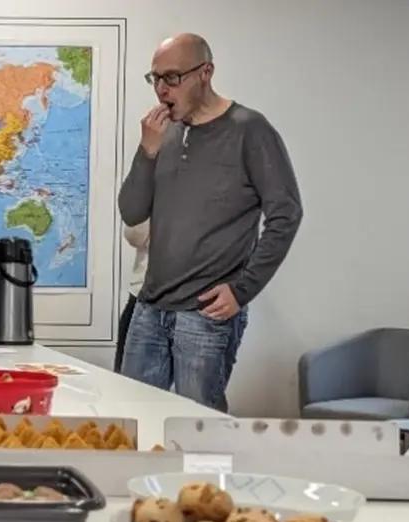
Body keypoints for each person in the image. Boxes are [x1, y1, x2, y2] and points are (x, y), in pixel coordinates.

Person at [117, 33, 302, 412]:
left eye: (172, 77)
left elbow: (286, 213)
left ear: (206, 72)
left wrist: (243, 289)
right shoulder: (163, 133)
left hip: (205, 313)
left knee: (198, 429)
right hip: (149, 307)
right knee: (130, 420)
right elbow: (132, 212)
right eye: (155, 78)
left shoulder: (250, 129)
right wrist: (146, 151)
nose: (162, 90)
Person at [115, 220, 149, 372]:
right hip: (143, 294)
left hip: (198, 299)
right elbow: (134, 237)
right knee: (127, 386)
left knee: (195, 393)